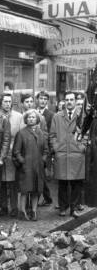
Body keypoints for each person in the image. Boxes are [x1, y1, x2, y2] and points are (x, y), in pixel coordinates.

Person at [49, 90, 88, 218]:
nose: (69, 102)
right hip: (62, 154)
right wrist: (56, 147)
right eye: (67, 100)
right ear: (64, 102)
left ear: (76, 102)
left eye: (72, 100)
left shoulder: (82, 117)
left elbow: (86, 134)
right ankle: (63, 207)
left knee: (76, 183)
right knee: (63, 183)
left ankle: (74, 207)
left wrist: (82, 146)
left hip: (76, 154)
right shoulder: (57, 116)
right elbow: (52, 135)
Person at [13, 109, 48, 221]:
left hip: (38, 167)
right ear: (26, 119)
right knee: (24, 190)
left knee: (36, 190)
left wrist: (43, 160)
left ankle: (34, 211)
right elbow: (16, 151)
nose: (31, 119)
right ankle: (22, 211)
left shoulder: (41, 133)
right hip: (26, 167)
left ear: (37, 119)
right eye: (29, 117)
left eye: (33, 117)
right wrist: (23, 162)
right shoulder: (21, 133)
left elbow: (46, 150)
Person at [0, 92, 24, 216]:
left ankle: (14, 208)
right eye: (5, 101)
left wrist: (17, 152)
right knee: (1, 182)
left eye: (9, 102)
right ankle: (3, 207)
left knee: (13, 183)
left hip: (13, 153)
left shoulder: (18, 117)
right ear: (1, 102)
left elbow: (21, 137)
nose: (8, 104)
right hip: (0, 154)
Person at [36, 91, 54, 206]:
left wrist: (50, 151)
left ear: (47, 101)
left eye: (44, 99)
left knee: (42, 174)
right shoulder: (33, 112)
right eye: (40, 98)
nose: (42, 101)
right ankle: (47, 198)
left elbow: (51, 133)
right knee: (38, 174)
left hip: (45, 148)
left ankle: (43, 198)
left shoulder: (51, 115)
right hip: (33, 148)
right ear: (37, 100)